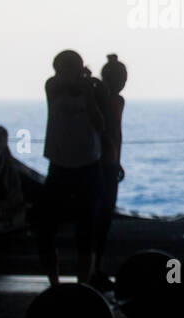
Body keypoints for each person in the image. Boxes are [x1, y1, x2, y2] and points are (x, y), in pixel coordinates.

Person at [36, 50, 105, 286]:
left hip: (88, 168)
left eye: (66, 70)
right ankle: (53, 283)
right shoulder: (52, 87)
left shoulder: (94, 90)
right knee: (44, 228)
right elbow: (55, 88)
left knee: (85, 231)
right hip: (59, 166)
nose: (61, 75)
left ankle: (83, 285)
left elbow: (100, 124)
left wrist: (88, 94)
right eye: (59, 70)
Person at [92, 54, 128, 290]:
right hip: (101, 164)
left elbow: (115, 135)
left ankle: (95, 269)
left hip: (108, 163)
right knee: (99, 219)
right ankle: (93, 271)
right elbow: (109, 133)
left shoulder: (116, 100)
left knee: (103, 218)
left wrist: (118, 161)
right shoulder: (105, 98)